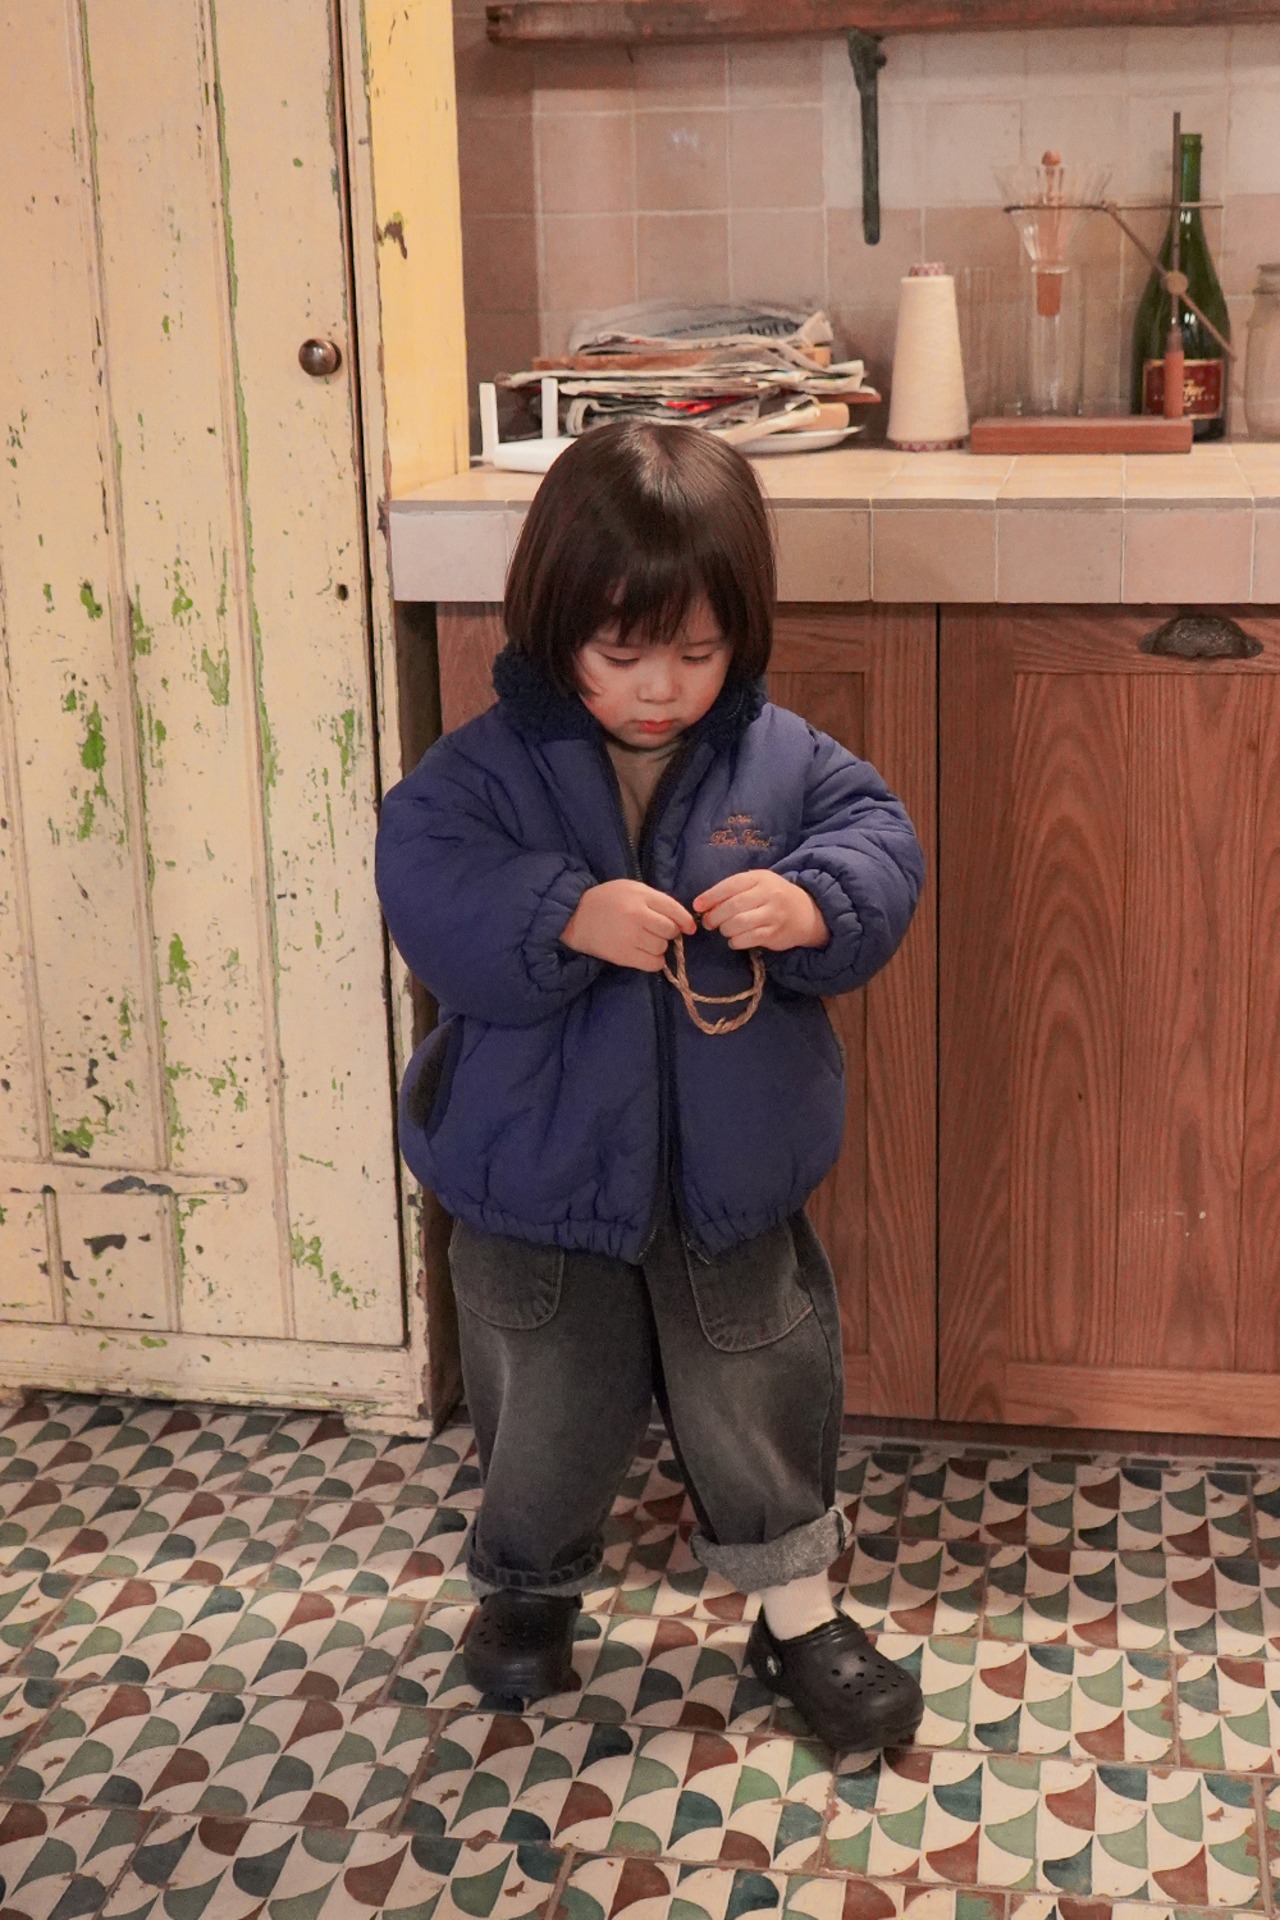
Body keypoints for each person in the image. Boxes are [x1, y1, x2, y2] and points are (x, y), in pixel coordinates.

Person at [375, 421, 926, 1756]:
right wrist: (563, 912)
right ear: (555, 620)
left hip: (729, 1177)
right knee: (541, 1398)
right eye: (622, 654)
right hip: (534, 1173)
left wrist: (813, 900)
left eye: (699, 651)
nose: (662, 688)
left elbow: (882, 840)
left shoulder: (781, 758)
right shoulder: (482, 771)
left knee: (761, 1391)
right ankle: (526, 1586)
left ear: (744, 633)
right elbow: (425, 878)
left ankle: (796, 1610)